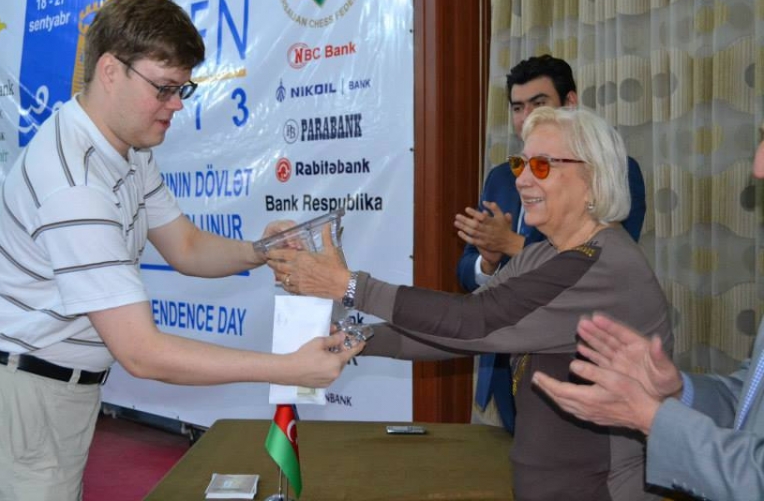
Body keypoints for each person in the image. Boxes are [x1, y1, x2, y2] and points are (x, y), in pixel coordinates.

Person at [0, 0, 361, 500]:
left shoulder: (126, 151)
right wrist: (289, 368)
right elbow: (143, 353)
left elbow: (187, 246)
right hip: (10, 404)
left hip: (48, 399)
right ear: (111, 71)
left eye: (182, 88)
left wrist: (261, 251)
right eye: (164, 88)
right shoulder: (74, 184)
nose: (176, 105)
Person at [269, 106, 671, 501]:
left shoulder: (602, 265)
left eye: (542, 166)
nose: (522, 180)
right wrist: (354, 340)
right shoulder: (545, 255)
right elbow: (456, 334)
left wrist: (350, 286)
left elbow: (473, 322)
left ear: (593, 180)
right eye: (520, 164)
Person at [532, 127, 764, 500]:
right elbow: (751, 404)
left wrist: (652, 418)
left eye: (544, 165)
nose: (758, 165)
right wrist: (679, 391)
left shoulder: (612, 257)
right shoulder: (540, 255)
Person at [454, 55, 647, 433]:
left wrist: (512, 245)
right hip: (506, 361)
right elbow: (466, 269)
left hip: (574, 365)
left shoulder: (613, 171)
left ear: (570, 103)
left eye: (538, 103)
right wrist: (487, 263)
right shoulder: (502, 176)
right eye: (517, 107)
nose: (526, 116)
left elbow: (599, 267)